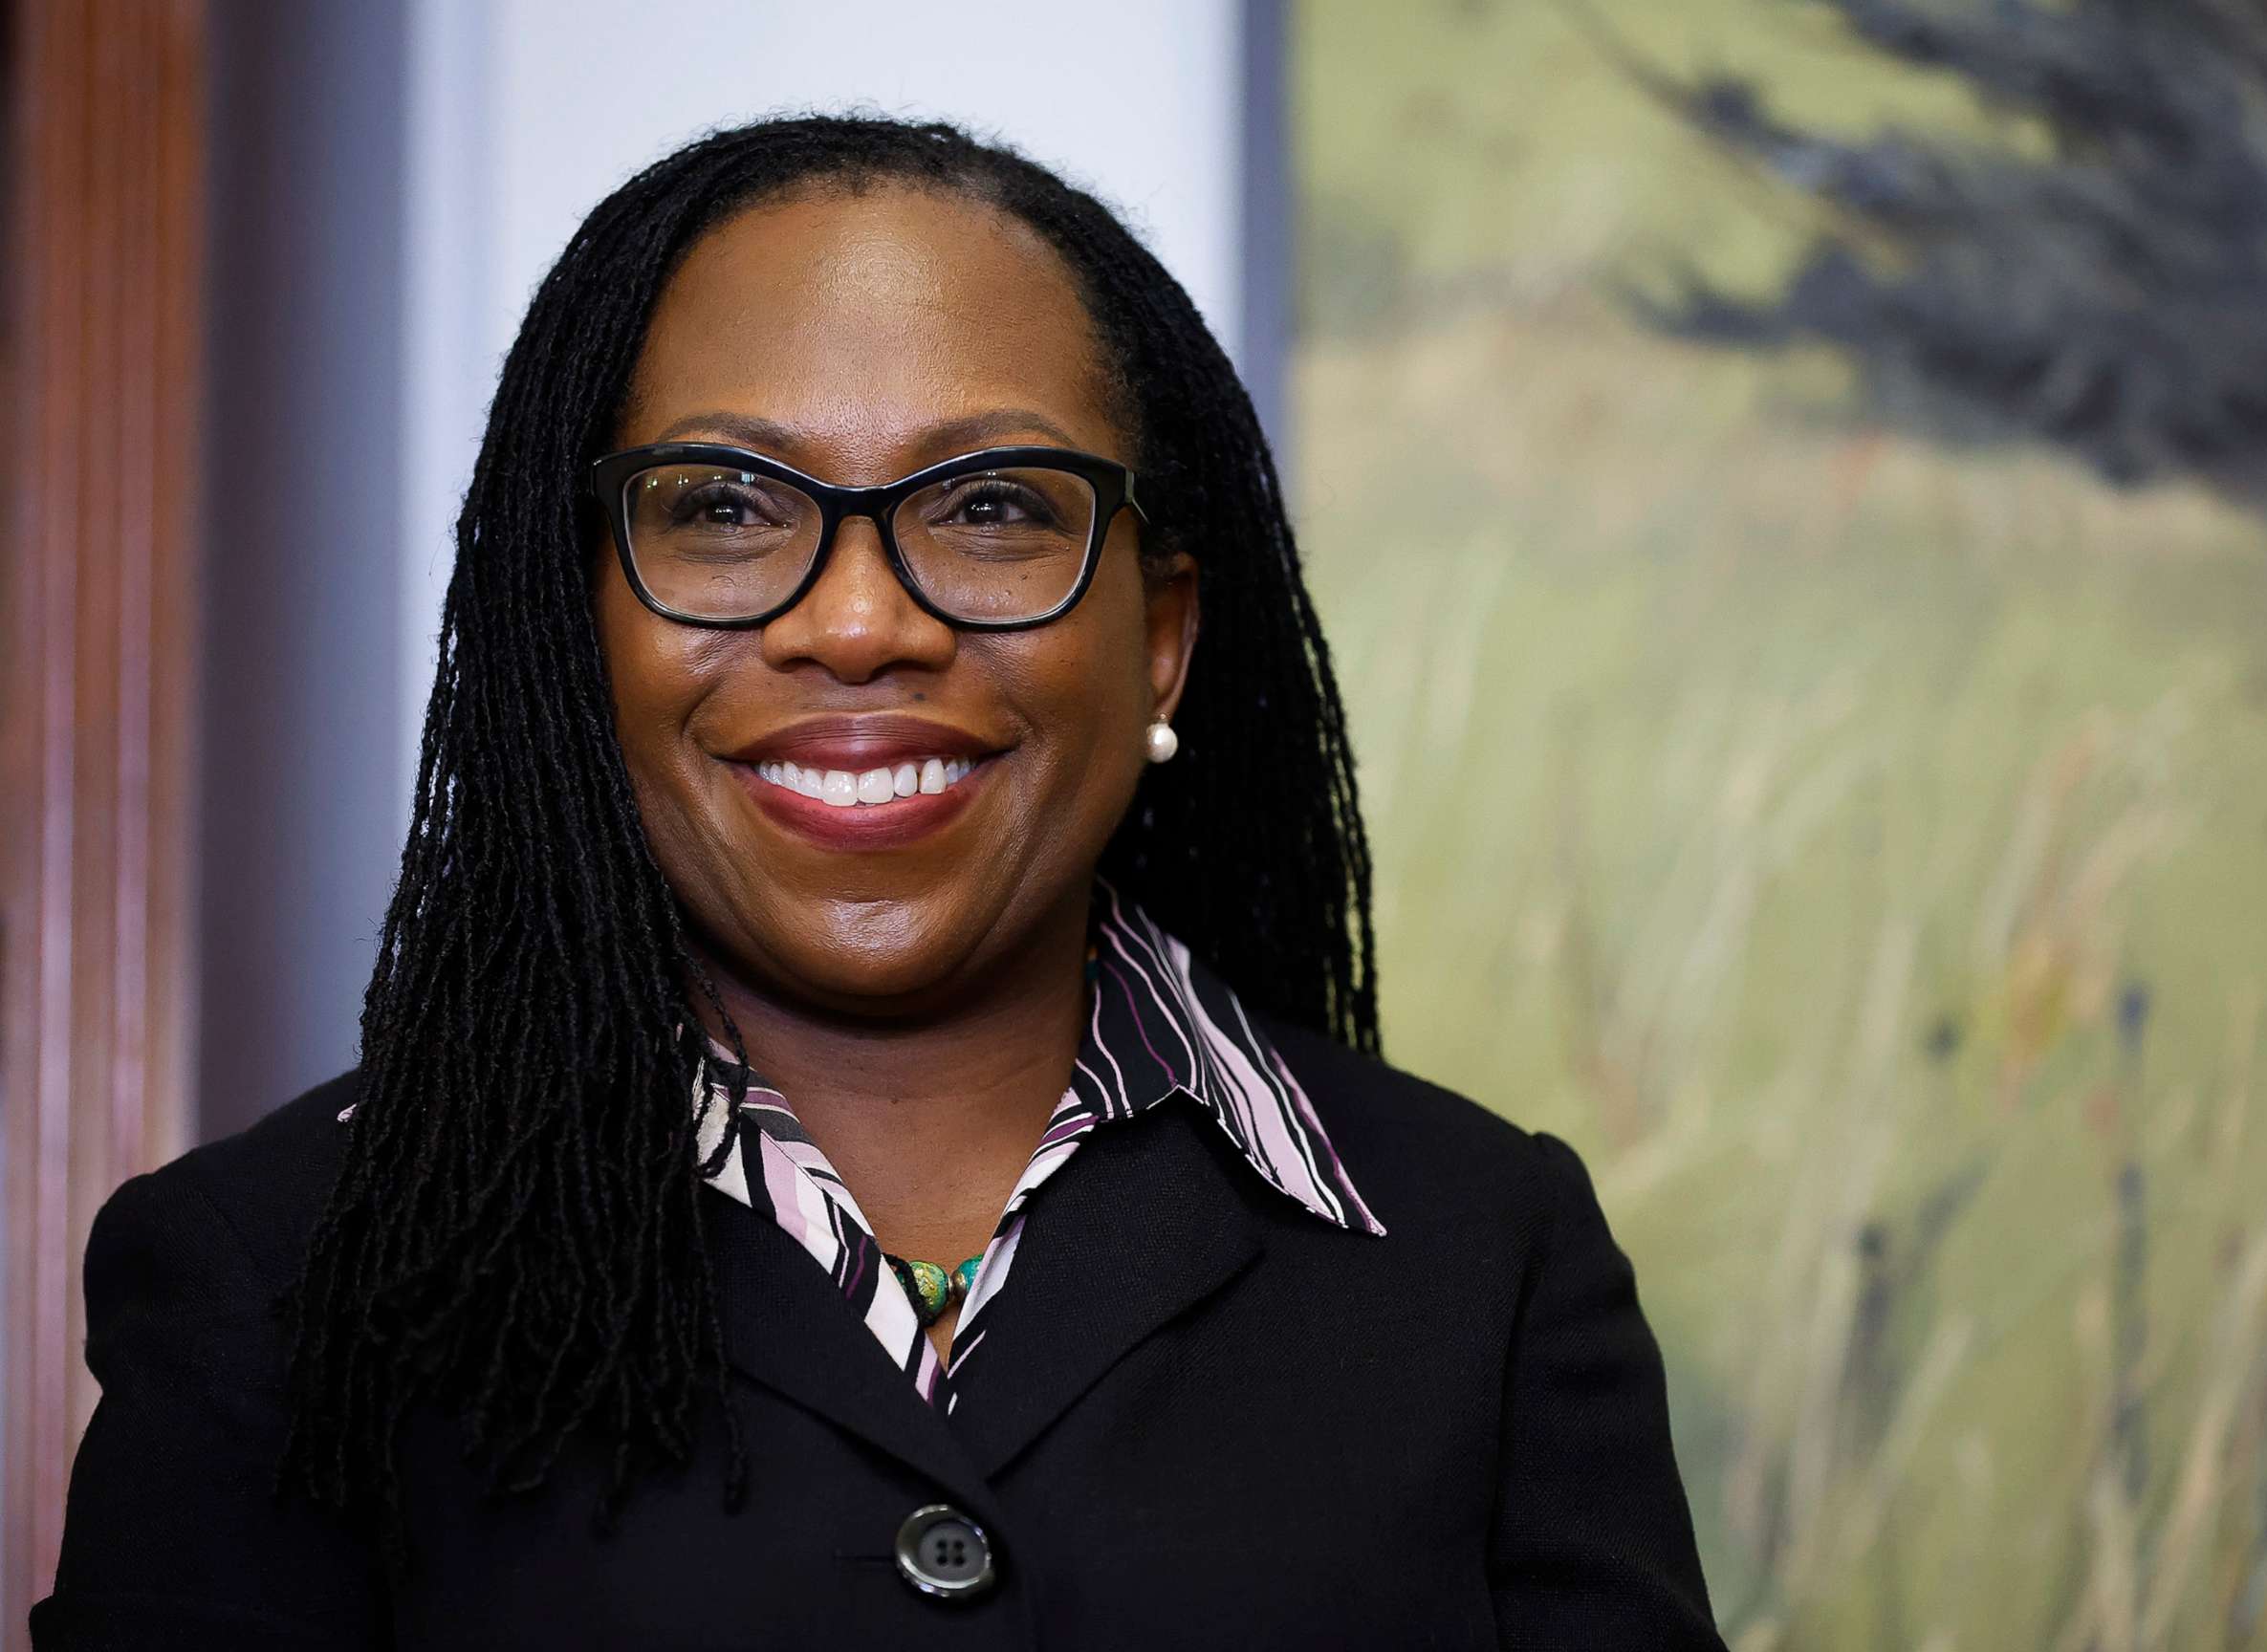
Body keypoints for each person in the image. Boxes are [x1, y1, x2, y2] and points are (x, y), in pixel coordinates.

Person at [33, 115, 1726, 1649]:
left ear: (1160, 641)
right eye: (723, 508)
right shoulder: (271, 1281)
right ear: (579, 630)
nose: (857, 623)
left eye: (992, 507)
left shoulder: (1483, 1261)